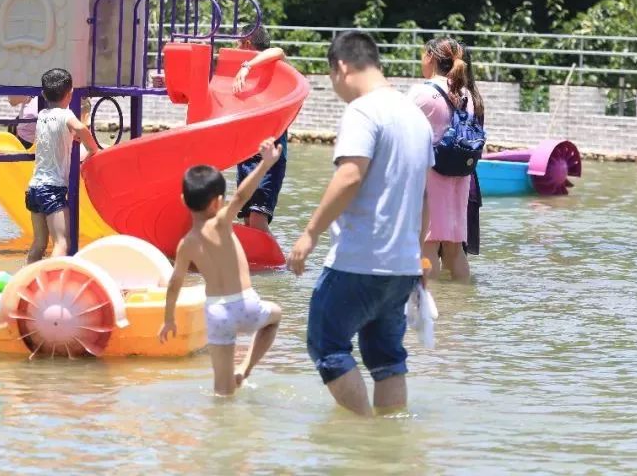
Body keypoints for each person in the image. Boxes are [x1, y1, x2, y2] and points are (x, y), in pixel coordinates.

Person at [287, 30, 434, 417]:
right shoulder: (415, 117)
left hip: (359, 260)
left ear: (341, 67)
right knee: (386, 359)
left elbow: (350, 175)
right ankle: (388, 446)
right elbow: (424, 199)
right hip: (402, 264)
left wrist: (310, 232)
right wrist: (417, 258)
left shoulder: (362, 111)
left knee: (326, 344)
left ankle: (364, 431)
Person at [159, 139, 284, 397]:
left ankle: (221, 420)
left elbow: (174, 283)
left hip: (217, 313)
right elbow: (242, 195)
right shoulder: (221, 222)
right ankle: (246, 369)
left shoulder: (186, 244)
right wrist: (266, 163)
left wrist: (169, 319)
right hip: (246, 305)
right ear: (218, 203)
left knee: (221, 390)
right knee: (275, 315)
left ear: (183, 200)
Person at [408, 37, 476, 280]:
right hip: (460, 175)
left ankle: (433, 305)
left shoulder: (422, 93)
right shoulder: (466, 94)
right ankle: (460, 305)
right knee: (454, 247)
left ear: (431, 57)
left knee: (426, 244)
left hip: (431, 173)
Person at [25, 68, 100, 264]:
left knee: (39, 244)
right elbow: (80, 127)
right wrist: (93, 149)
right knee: (62, 243)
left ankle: (25, 282)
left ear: (43, 94)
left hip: (33, 188)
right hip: (52, 188)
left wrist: (71, 136)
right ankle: (52, 285)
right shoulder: (66, 115)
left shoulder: (42, 115)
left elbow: (58, 134)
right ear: (71, 94)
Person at [230, 25, 289, 238]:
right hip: (246, 156)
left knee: (257, 219)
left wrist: (247, 66)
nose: (235, 47)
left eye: (238, 42)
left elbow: (278, 51)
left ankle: (281, 267)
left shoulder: (275, 68)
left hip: (269, 156)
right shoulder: (243, 79)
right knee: (247, 221)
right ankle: (258, 268)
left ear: (247, 43)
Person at [461, 47, 485, 257]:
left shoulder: (458, 98)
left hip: (455, 184)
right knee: (458, 255)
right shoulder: (475, 97)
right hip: (469, 182)